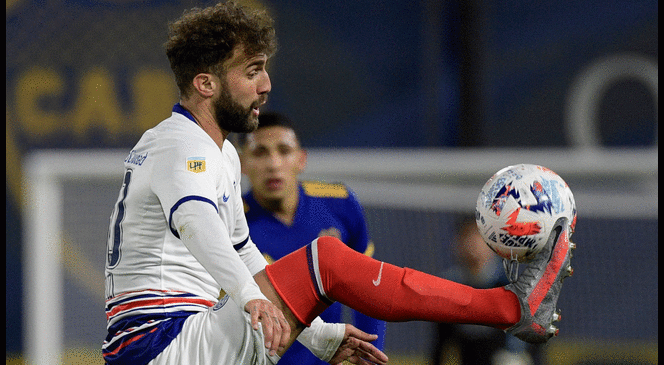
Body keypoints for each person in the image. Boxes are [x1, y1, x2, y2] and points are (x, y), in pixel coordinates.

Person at [102, 2, 576, 364]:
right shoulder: (181, 145)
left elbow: (243, 252)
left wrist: (322, 337)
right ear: (206, 84)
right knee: (325, 260)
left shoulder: (220, 152)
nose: (266, 84)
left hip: (183, 337)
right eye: (252, 71)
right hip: (160, 344)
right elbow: (195, 220)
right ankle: (510, 307)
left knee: (320, 264)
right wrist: (251, 299)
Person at [238, 111, 386, 364]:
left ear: (301, 159)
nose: (273, 164)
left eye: (284, 150)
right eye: (260, 152)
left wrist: (370, 356)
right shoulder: (230, 223)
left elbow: (370, 289)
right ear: (241, 163)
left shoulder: (339, 204)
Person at [431, 215, 538, 365]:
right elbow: (440, 345)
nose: (472, 243)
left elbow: (533, 344)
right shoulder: (448, 288)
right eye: (466, 236)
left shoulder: (512, 288)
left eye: (478, 236)